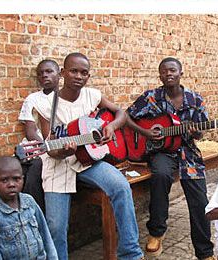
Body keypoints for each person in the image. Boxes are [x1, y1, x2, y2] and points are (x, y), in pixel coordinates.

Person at [34, 53, 144, 260]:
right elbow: (49, 149)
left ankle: (131, 254)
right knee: (56, 226)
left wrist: (110, 126)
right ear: (62, 72)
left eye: (84, 73)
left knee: (121, 186)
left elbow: (121, 113)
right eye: (73, 71)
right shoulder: (47, 105)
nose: (78, 76)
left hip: (87, 159)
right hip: (59, 163)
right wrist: (64, 151)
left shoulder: (92, 95)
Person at [125, 57, 214, 259]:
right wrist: (145, 132)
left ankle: (205, 252)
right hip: (161, 151)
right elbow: (126, 116)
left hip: (188, 151)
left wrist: (194, 132)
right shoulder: (151, 97)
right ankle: (157, 231)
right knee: (161, 176)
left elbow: (201, 131)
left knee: (199, 199)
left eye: (172, 70)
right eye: (164, 71)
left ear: (181, 73)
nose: (168, 74)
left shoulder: (195, 100)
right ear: (160, 76)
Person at [0, 156, 58, 260]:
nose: (11, 184)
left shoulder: (30, 203)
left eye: (16, 179)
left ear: (23, 178)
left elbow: (45, 235)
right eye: (4, 180)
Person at [18, 59, 61, 213]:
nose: (44, 75)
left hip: (57, 150)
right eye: (40, 73)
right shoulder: (32, 99)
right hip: (35, 148)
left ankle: (36, 217)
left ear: (59, 74)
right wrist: (45, 147)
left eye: (49, 71)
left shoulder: (66, 99)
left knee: (34, 174)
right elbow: (30, 132)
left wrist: (54, 148)